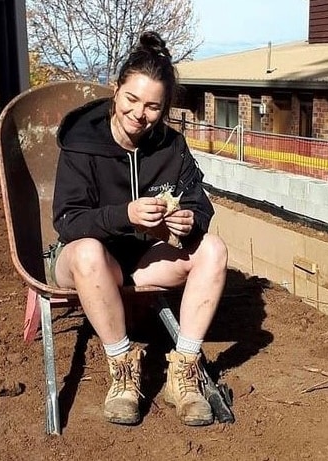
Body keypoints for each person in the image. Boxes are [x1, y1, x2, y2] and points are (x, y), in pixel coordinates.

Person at [47, 31, 228, 427]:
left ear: (163, 109)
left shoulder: (171, 146)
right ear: (116, 91)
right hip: (85, 261)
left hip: (144, 260)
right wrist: (124, 215)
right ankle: (123, 372)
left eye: (152, 107)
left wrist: (190, 219)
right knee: (89, 251)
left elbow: (199, 202)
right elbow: (67, 220)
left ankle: (183, 371)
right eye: (131, 100)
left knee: (213, 248)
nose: (138, 114)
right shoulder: (82, 142)